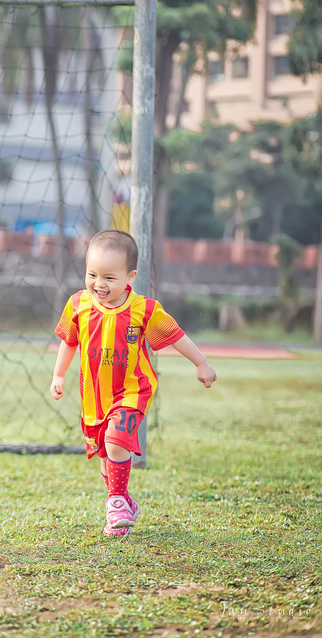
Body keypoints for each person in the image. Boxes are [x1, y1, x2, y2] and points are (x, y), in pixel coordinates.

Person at [49, 229, 216, 537]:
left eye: (109, 278)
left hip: (132, 391)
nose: (99, 284)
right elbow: (69, 341)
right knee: (104, 454)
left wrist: (201, 362)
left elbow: (176, 335)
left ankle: (115, 502)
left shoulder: (144, 309)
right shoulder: (77, 305)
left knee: (115, 441)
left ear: (130, 276)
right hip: (94, 397)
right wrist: (59, 374)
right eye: (92, 274)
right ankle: (124, 502)